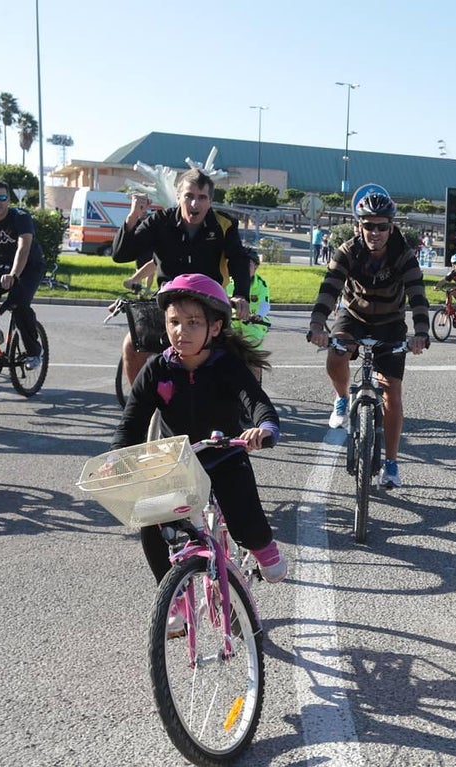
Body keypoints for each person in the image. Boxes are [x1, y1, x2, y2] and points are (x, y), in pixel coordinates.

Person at [110, 274, 286, 592]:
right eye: (173, 322)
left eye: (193, 322)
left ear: (215, 328)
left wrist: (264, 428)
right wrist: (118, 458)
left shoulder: (227, 365)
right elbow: (131, 423)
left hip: (225, 456)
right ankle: (172, 593)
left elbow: (258, 403)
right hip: (174, 462)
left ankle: (262, 548)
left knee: (248, 526)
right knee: (151, 524)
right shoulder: (156, 370)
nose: (181, 332)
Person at [307, 188, 429, 488]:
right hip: (354, 317)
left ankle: (391, 464)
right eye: (368, 225)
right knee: (336, 355)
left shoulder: (403, 254)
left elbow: (417, 295)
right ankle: (341, 398)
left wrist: (422, 333)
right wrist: (317, 323)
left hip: (390, 322)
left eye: (382, 226)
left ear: (392, 226)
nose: (375, 232)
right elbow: (330, 287)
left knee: (393, 392)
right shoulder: (348, 251)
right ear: (358, 226)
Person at [112, 169, 251, 388]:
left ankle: (236, 406)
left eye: (202, 197)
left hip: (209, 302)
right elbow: (122, 255)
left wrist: (241, 295)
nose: (195, 204)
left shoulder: (224, 224)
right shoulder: (160, 221)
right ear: (178, 197)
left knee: (240, 355)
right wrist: (133, 218)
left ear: (210, 201)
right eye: (189, 196)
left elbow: (238, 261)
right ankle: (141, 405)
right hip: (168, 302)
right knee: (132, 345)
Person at [0, 180, 45, 369]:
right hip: (0, 265)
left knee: (19, 303)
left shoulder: (20, 217)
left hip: (29, 266)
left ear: (8, 200)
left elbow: (23, 248)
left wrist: (13, 275)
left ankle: (34, 352)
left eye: (1, 198)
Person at [229, 248, 271, 381]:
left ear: (256, 267)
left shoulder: (260, 284)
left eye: (248, 265)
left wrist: (259, 315)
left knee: (253, 355)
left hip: (253, 323)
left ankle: (255, 384)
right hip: (233, 321)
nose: (243, 269)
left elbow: (265, 303)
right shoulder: (229, 283)